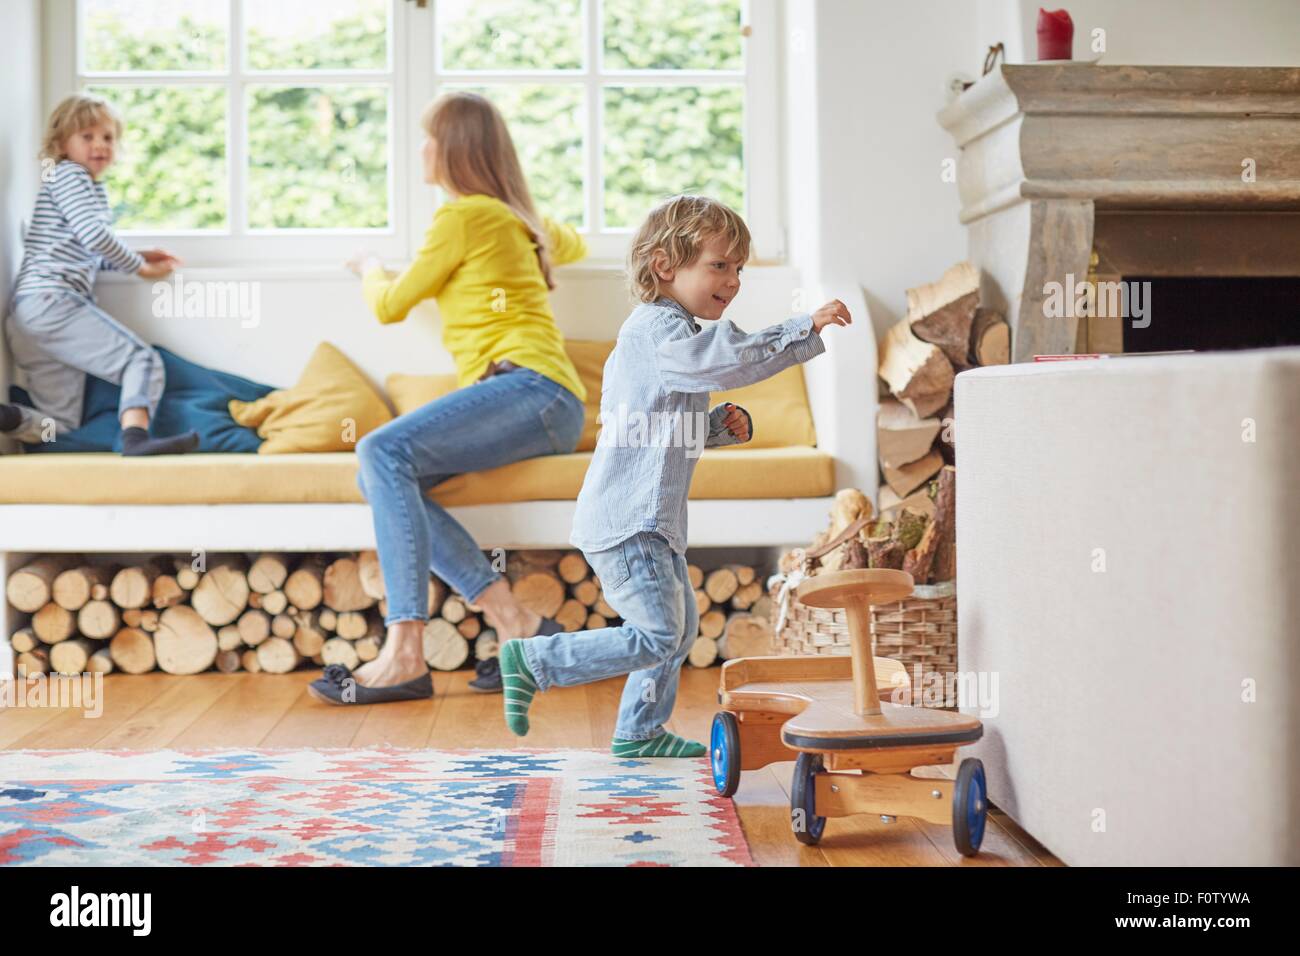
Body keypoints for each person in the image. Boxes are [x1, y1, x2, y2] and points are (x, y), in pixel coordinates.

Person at [497, 194, 851, 756]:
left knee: (679, 630)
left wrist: (713, 428)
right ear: (665, 266)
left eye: (738, 269)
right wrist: (802, 328)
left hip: (647, 520)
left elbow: (651, 428)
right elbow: (729, 358)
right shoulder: (658, 333)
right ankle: (535, 660)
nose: (733, 281)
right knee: (658, 633)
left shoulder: (669, 336)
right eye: (720, 265)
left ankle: (640, 731)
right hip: (631, 521)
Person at [310, 91, 588, 705]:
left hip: (528, 386)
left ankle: (406, 650)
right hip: (547, 400)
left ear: (453, 149)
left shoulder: (462, 217)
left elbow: (389, 306)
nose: (421, 149)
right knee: (379, 476)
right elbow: (576, 243)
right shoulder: (522, 221)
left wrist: (369, 265)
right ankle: (517, 622)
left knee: (380, 453)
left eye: (429, 137)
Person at [1, 93, 193, 455]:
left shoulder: (70, 184)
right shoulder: (72, 176)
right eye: (87, 137)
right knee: (142, 359)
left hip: (28, 317)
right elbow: (94, 236)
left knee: (62, 424)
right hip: (53, 302)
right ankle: (136, 439)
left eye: (108, 137)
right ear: (61, 144)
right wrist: (139, 268)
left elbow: (86, 250)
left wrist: (138, 254)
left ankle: (12, 419)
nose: (100, 145)